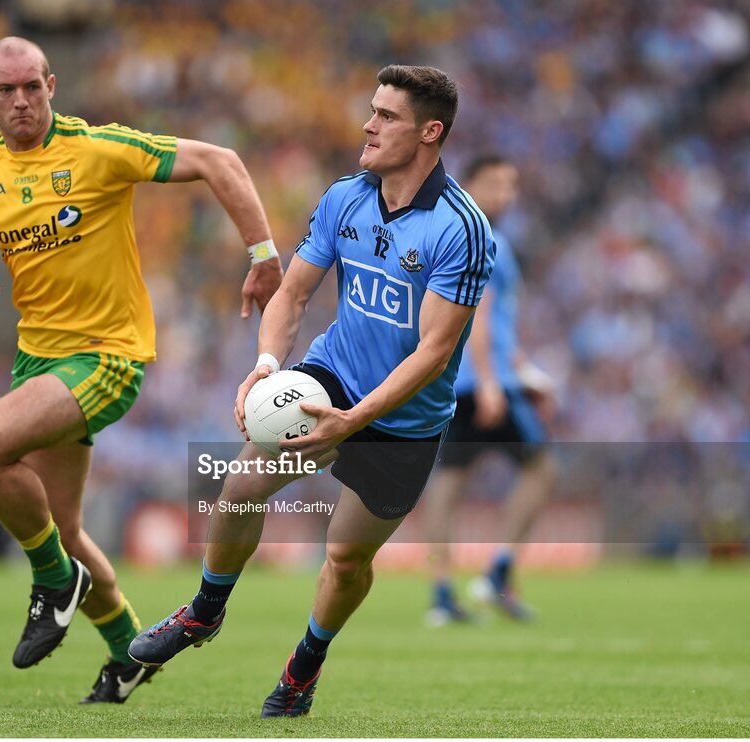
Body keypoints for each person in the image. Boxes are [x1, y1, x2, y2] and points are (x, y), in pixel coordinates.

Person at [129, 65, 495, 717]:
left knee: (347, 559)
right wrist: (268, 364)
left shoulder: (460, 227)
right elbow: (293, 293)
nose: (368, 124)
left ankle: (303, 669)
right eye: (371, 110)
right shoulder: (345, 198)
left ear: (430, 131)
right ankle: (203, 613)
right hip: (329, 378)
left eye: (387, 116)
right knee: (240, 485)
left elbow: (434, 354)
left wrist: (352, 422)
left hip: (402, 418)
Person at [0, 37, 282, 704]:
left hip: (107, 356)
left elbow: (220, 160)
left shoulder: (97, 150)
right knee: (63, 529)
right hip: (37, 363)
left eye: (32, 88)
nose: (21, 101)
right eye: (6, 90)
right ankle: (130, 652)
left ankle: (52, 582)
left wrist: (264, 252)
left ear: (52, 86)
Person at [423, 155, 557, 625]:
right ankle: (498, 572)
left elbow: (495, 321)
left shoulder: (460, 234)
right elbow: (477, 313)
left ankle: (442, 596)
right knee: (541, 469)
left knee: (449, 484)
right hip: (482, 380)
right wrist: (494, 381)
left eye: (511, 185)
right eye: (496, 184)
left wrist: (525, 369)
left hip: (458, 378)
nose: (507, 195)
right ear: (472, 185)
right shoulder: (484, 238)